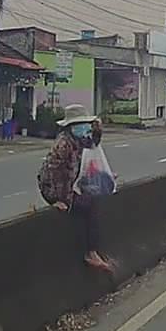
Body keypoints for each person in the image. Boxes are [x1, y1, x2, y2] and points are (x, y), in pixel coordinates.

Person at [38, 104, 116, 273]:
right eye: (82, 124)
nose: (85, 127)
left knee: (96, 196)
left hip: (71, 185)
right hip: (56, 190)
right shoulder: (63, 144)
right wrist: (57, 199)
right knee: (91, 206)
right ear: (72, 126)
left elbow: (93, 144)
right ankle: (91, 253)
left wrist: (98, 129)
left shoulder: (79, 140)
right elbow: (51, 175)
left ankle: (94, 251)